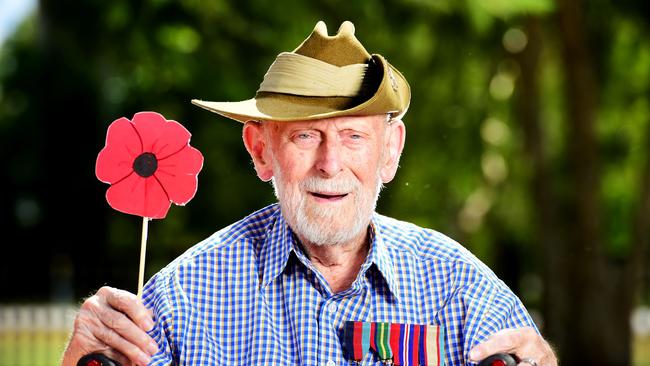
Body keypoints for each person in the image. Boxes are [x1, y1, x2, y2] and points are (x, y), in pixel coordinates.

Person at [62, 21, 557, 366]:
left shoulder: (460, 288)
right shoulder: (181, 299)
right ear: (261, 151)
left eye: (353, 136)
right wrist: (81, 359)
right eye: (305, 135)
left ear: (390, 152)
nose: (331, 163)